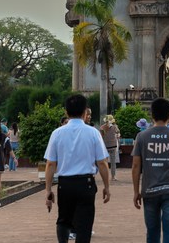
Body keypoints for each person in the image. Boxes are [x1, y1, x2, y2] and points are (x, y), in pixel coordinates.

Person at [44, 94, 111, 243]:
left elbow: (50, 164)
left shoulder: (57, 133)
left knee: (63, 220)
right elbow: (102, 163)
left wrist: (48, 190)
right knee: (84, 225)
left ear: (66, 112)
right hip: (85, 184)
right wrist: (106, 186)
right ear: (85, 112)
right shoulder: (93, 133)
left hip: (65, 184)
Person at [132, 97, 169, 243]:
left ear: (151, 114)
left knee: (152, 232)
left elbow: (135, 166)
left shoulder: (142, 136)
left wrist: (136, 191)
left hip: (150, 190)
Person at [101, 115, 121, 181]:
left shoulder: (102, 127)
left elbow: (101, 137)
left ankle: (106, 176)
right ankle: (113, 176)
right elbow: (118, 134)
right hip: (113, 146)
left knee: (105, 162)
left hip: (105, 146)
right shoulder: (115, 127)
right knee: (113, 162)